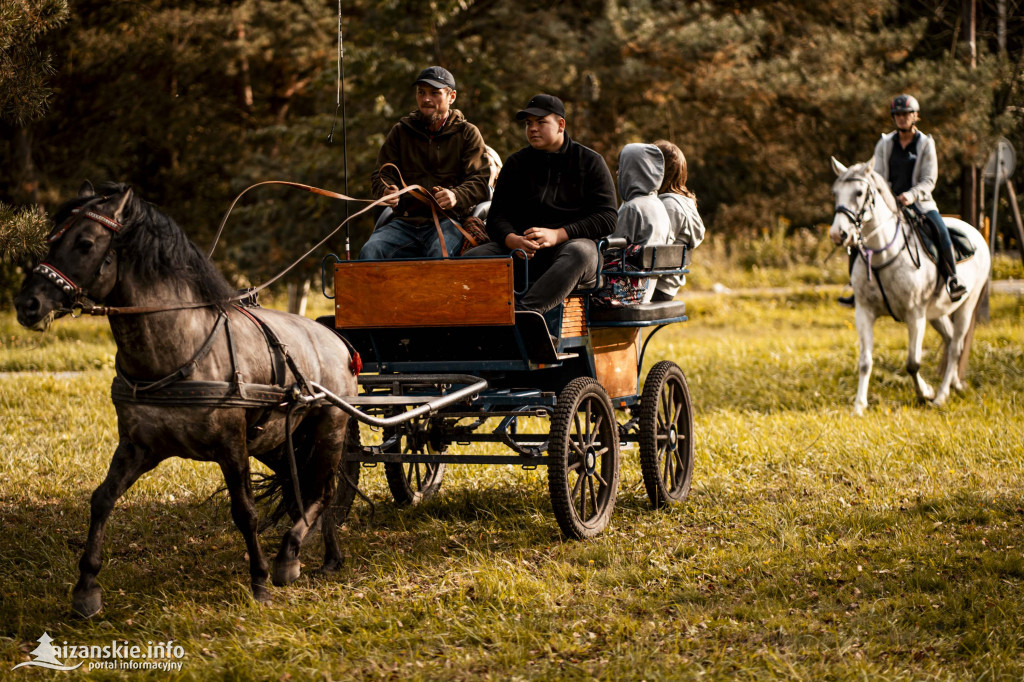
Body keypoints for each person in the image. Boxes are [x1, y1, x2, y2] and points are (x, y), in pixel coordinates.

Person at [463, 94, 616, 313]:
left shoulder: (590, 161)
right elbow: (497, 216)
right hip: (522, 253)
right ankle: (479, 321)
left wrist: (558, 234)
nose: (533, 129)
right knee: (471, 260)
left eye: (541, 122)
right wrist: (511, 239)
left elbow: (608, 218)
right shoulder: (516, 163)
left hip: (570, 253)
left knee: (580, 252)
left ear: (560, 124)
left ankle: (523, 316)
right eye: (528, 124)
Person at [839, 94, 966, 306]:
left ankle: (952, 278)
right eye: (897, 115)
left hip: (919, 202)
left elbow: (929, 179)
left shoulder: (926, 143)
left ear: (915, 116)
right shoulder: (885, 143)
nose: (901, 118)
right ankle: (855, 286)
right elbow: (877, 175)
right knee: (859, 235)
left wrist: (912, 194)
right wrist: (887, 195)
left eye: (906, 114)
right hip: (889, 203)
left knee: (940, 229)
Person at [361, 66, 491, 259]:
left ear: (452, 97)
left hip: (450, 221)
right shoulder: (400, 131)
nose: (426, 99)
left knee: (439, 255)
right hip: (404, 223)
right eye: (421, 92)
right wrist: (386, 190)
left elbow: (480, 181)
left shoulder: (467, 133)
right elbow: (381, 174)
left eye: (434, 93)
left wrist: (456, 195)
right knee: (370, 251)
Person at [609, 142, 672, 303]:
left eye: (622, 167)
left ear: (633, 171)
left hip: (625, 291)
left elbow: (610, 249)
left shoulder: (632, 207)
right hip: (648, 287)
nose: (618, 172)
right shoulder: (658, 205)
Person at [651, 139, 705, 301]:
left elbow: (656, 251)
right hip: (666, 286)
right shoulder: (685, 203)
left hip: (656, 287)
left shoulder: (668, 206)